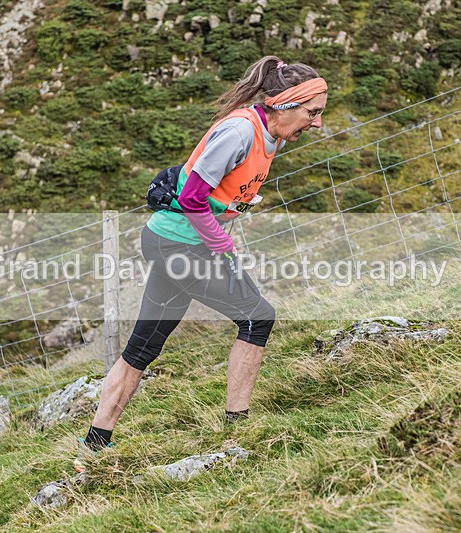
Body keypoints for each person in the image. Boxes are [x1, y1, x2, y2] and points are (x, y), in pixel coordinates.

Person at [76, 56, 327, 467]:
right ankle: (238, 430)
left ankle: (92, 447)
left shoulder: (271, 135)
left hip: (176, 242)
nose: (317, 123)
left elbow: (218, 193)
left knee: (143, 347)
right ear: (283, 104)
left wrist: (229, 217)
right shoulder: (239, 132)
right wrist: (221, 244)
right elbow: (192, 197)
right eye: (312, 112)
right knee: (257, 317)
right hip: (177, 246)